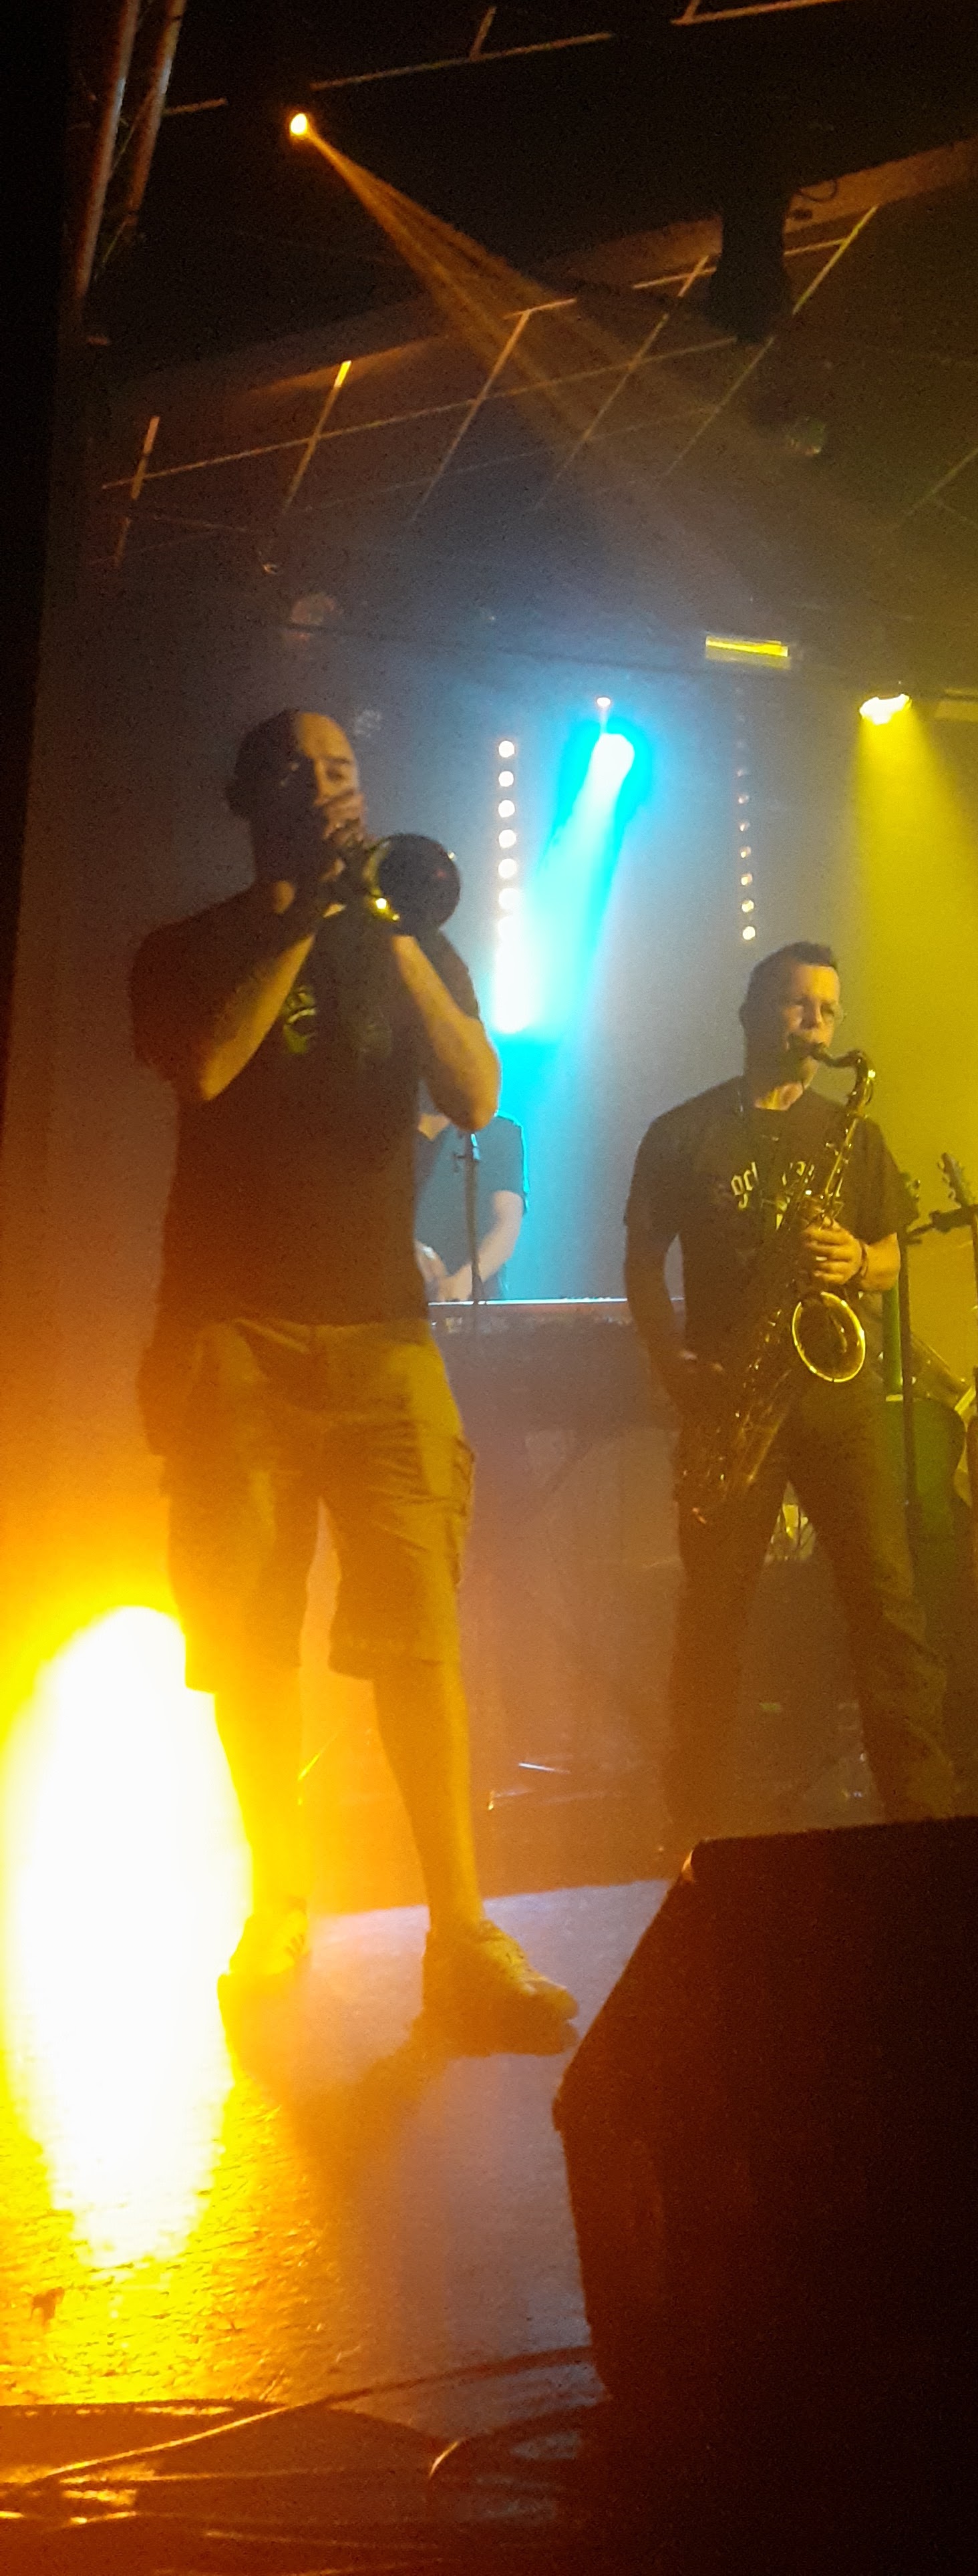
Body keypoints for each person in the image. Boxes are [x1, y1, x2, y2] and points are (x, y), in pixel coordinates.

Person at [131, 709, 576, 2039]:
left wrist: (388, 934)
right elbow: (206, 1064)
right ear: (248, 794)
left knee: (420, 1635)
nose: (331, 789)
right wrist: (304, 924)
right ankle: (279, 1907)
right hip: (236, 1331)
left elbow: (478, 1092)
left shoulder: (405, 939)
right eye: (302, 770)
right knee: (251, 1631)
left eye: (345, 770)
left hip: (385, 1336)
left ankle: (462, 1933)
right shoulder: (190, 947)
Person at [623, 941, 955, 1850]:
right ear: (750, 1012)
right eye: (798, 1004)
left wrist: (859, 1259)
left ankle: (924, 1821)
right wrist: (672, 1363)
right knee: (714, 1617)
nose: (817, 1023)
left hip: (835, 1397)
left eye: (830, 1009)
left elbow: (893, 1257)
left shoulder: (853, 1132)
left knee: (887, 1605)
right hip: (731, 1398)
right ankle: (696, 1827)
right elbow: (642, 1266)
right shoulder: (683, 1133)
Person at [416, 1104, 526, 1302]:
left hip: (477, 1302)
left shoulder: (500, 1131)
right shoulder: (389, 1136)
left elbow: (507, 1224)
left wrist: (464, 1282)